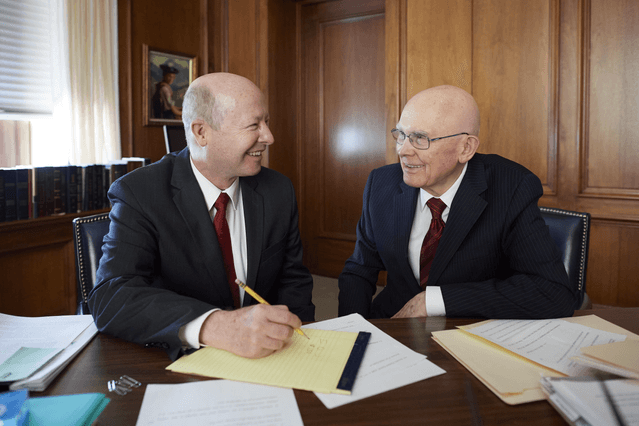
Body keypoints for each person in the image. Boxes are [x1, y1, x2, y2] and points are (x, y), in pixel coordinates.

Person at [89, 72, 315, 360]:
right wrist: (215, 325)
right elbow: (111, 297)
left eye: (266, 122)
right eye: (253, 125)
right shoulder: (139, 193)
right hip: (176, 364)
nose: (269, 137)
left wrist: (301, 345)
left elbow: (293, 280)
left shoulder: (279, 190)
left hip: (270, 359)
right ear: (201, 132)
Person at [338, 85, 576, 320]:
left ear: (466, 148)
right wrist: (350, 333)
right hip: (394, 324)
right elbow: (359, 270)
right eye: (401, 135)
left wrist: (435, 301)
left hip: (468, 331)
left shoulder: (511, 187)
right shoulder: (381, 184)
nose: (403, 150)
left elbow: (552, 292)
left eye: (420, 138)